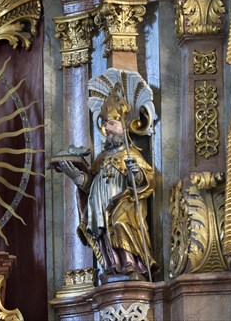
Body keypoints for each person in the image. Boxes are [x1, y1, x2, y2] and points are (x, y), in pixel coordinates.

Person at [55, 90, 159, 281]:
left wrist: (134, 172)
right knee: (102, 231)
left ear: (124, 126)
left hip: (123, 205)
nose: (107, 128)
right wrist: (76, 176)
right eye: (105, 124)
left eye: (112, 123)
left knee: (120, 223)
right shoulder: (101, 158)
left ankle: (131, 263)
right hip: (100, 209)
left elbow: (146, 181)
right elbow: (90, 185)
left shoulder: (132, 155)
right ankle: (113, 264)